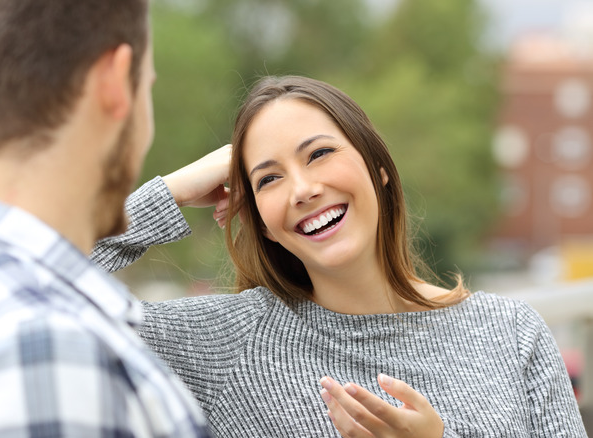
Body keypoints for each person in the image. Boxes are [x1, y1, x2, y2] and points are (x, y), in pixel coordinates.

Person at [92, 76, 587, 437]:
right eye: (268, 178)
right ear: (260, 219)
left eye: (319, 153)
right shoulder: (224, 344)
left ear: (378, 167)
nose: (304, 189)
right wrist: (171, 191)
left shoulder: (510, 333)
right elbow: (25, 282)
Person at [0, 1, 211, 436]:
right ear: (116, 81)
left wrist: (166, 196)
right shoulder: (43, 349)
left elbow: (53, 265)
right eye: (148, 88)